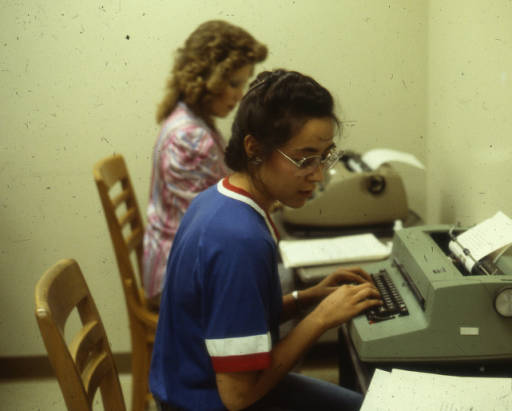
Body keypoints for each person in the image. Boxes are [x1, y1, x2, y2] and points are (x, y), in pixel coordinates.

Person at [149, 69, 382, 411]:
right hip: (207, 402)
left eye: (324, 156)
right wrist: (319, 319)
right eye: (304, 159)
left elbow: (235, 318)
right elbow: (238, 396)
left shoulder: (214, 200)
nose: (317, 175)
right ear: (254, 148)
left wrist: (308, 298)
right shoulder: (240, 240)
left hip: (188, 387)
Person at [143, 20, 268, 307]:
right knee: (281, 281)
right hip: (175, 274)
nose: (240, 95)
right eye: (234, 83)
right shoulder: (190, 137)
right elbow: (208, 224)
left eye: (244, 84)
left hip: (177, 259)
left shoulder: (194, 121)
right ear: (205, 77)